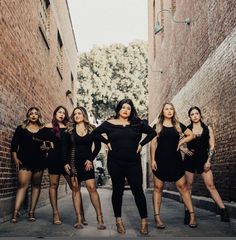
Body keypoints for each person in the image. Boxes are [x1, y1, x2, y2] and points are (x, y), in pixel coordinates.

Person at [93, 98, 157, 235]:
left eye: (128, 108)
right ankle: (118, 221)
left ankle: (144, 221)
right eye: (123, 107)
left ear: (131, 110)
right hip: (115, 162)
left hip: (133, 163)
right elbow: (95, 133)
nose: (125, 110)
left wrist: (141, 144)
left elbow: (153, 133)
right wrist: (106, 142)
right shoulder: (109, 123)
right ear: (119, 109)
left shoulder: (137, 123)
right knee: (117, 191)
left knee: (138, 190)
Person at [150, 102, 197, 229]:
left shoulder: (178, 125)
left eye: (171, 109)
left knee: (183, 187)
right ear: (163, 112)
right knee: (158, 188)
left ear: (173, 111)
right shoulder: (157, 126)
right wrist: (152, 160)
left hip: (175, 160)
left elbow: (191, 135)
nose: (169, 111)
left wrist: (182, 141)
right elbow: (153, 144)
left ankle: (192, 215)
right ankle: (157, 217)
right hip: (160, 160)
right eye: (166, 109)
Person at [38, 106, 87, 225]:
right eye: (59, 112)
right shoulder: (48, 127)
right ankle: (55, 213)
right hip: (53, 159)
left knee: (75, 187)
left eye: (64, 113)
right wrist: (46, 146)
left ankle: (80, 215)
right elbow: (36, 140)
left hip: (68, 161)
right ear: (55, 113)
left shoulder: (69, 128)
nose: (62, 115)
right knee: (53, 185)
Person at [183, 106, 230, 223]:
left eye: (196, 113)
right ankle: (188, 213)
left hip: (204, 159)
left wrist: (209, 161)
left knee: (211, 186)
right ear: (189, 117)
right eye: (192, 114)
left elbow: (212, 146)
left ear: (200, 115)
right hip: (190, 160)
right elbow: (178, 143)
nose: (195, 116)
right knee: (188, 187)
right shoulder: (186, 130)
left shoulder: (207, 128)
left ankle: (223, 210)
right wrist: (183, 150)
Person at [63, 106, 106, 230]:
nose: (77, 116)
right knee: (75, 189)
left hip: (87, 164)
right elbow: (65, 148)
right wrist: (65, 163)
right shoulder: (69, 130)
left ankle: (100, 218)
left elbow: (97, 146)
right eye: (75, 114)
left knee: (92, 188)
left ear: (84, 115)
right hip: (73, 163)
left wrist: (90, 159)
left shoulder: (92, 130)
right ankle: (79, 218)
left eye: (79, 113)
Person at [10, 107, 46, 223]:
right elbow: (14, 146)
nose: (34, 115)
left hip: (39, 161)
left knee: (36, 185)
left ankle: (31, 212)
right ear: (28, 116)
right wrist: (15, 159)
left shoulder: (43, 130)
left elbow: (50, 145)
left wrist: (47, 148)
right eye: (31, 113)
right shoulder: (21, 129)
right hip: (24, 160)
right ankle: (16, 212)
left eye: (36, 113)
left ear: (39, 116)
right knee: (22, 185)